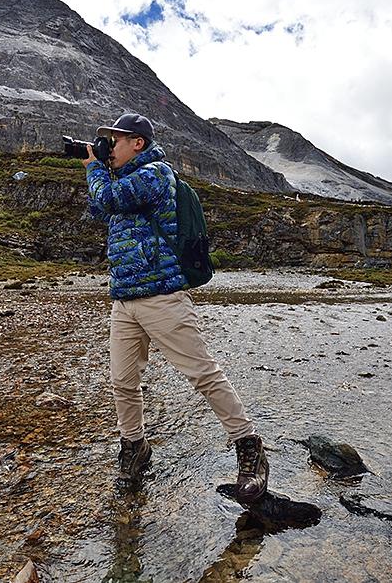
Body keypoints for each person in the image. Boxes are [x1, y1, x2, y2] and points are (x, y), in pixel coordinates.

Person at [81, 112, 269, 503]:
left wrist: (94, 168)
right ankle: (134, 449)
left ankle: (250, 448)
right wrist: (100, 171)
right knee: (122, 381)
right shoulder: (122, 178)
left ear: (137, 143)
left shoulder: (155, 174)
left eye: (114, 140)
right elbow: (98, 209)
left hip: (163, 295)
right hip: (125, 300)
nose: (108, 147)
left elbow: (109, 198)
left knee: (202, 374)